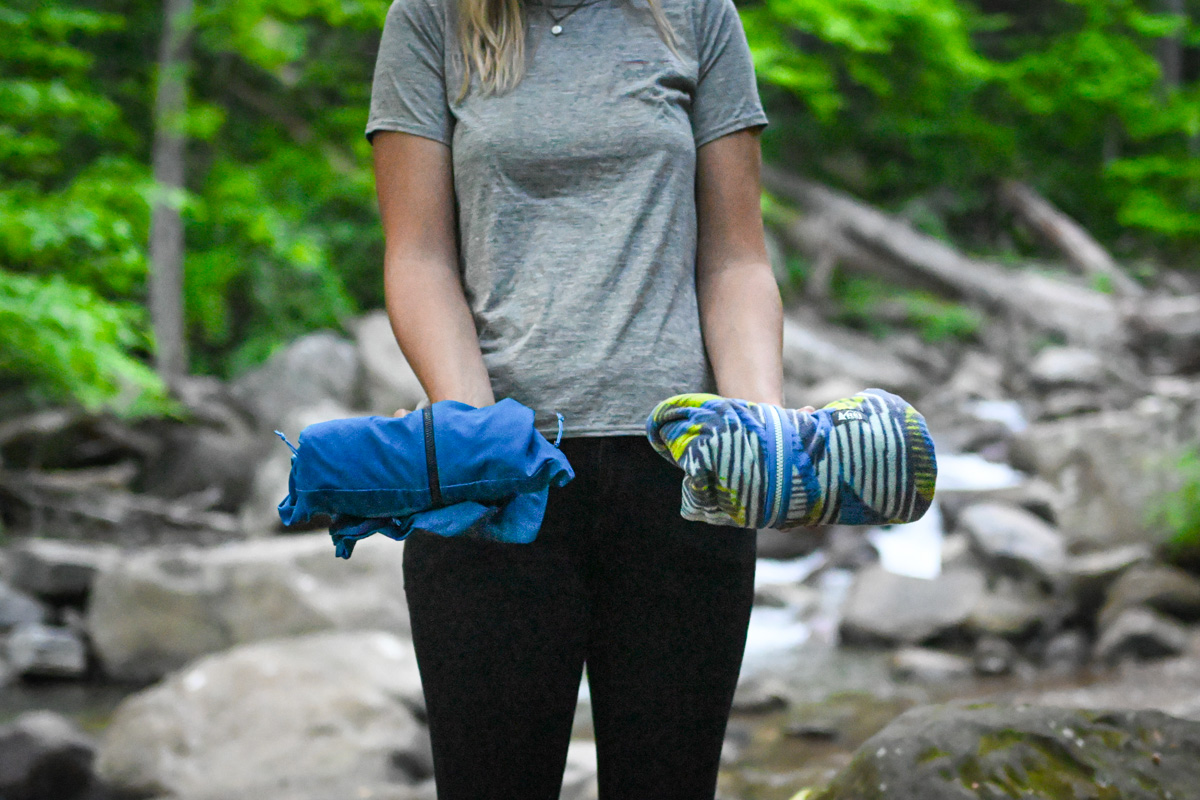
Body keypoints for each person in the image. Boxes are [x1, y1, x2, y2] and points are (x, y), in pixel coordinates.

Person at [365, 0, 784, 796]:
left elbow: (735, 257)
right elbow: (418, 255)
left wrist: (763, 431)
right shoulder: (429, 19)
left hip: (685, 478)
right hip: (493, 487)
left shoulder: (697, 15)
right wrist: (477, 430)